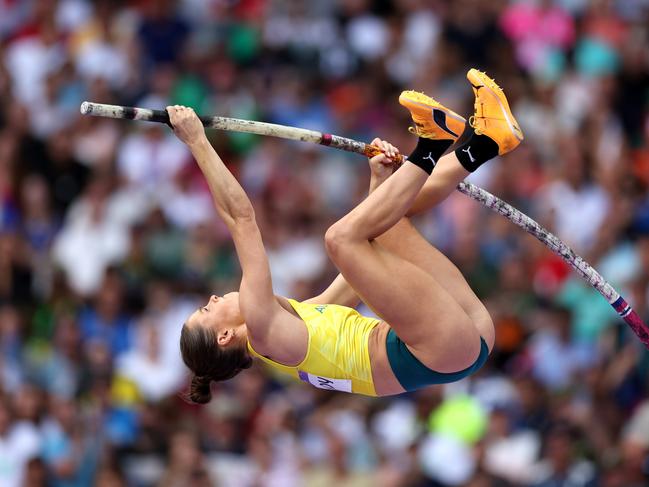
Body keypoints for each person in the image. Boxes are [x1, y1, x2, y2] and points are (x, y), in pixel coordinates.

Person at [174, 69, 524, 402]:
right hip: (437, 347)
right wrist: (197, 141)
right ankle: (432, 145)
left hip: (459, 341)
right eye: (207, 309)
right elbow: (240, 218)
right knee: (338, 239)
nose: (215, 297)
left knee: (388, 225)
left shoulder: (291, 331)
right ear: (224, 336)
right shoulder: (263, 330)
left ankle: (486, 142)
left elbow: (358, 278)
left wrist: (379, 184)